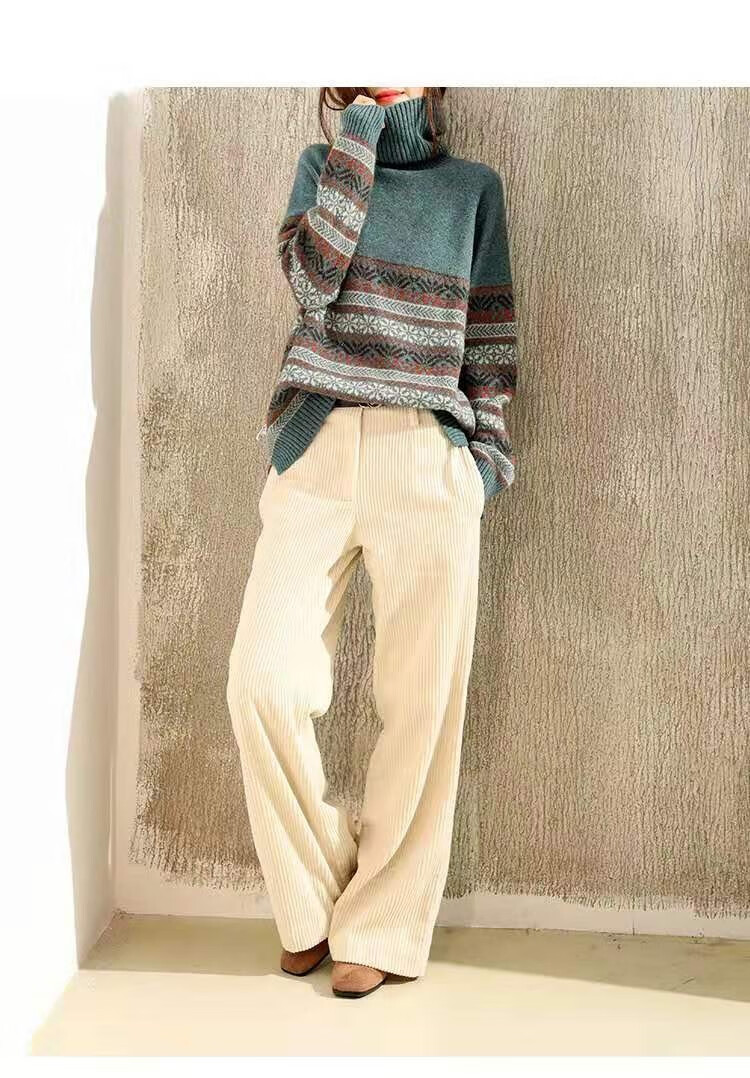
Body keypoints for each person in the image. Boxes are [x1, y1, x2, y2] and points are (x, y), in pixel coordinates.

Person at [226, 86, 519, 999]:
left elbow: (492, 340)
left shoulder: (472, 189)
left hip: (427, 456)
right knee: (262, 682)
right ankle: (317, 902)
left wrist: (481, 462)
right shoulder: (323, 166)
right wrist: (358, 134)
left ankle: (383, 926)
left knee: (422, 703)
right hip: (316, 447)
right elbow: (313, 284)